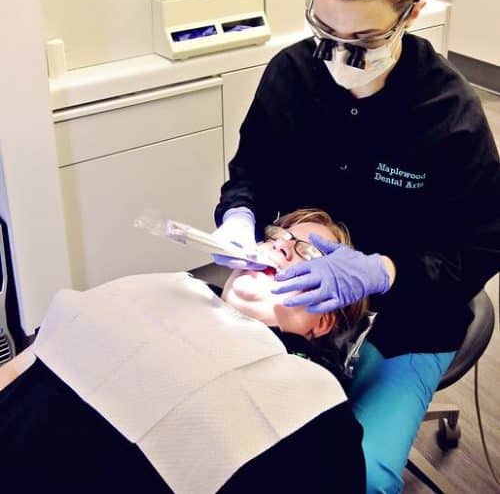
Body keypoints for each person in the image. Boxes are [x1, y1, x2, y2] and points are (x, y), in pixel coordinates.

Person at [214, 0, 500, 493]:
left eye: (363, 42)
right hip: (296, 308)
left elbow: (482, 247)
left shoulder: (448, 116)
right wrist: (238, 215)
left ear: (411, 13)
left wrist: (383, 273)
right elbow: (249, 174)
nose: (337, 57)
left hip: (408, 322)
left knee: (359, 477)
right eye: (323, 30)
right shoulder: (292, 76)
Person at [0, 208, 366, 494]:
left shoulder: (314, 406)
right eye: (278, 237)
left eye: (310, 253)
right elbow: (20, 369)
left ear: (322, 323)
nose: (281, 246)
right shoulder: (161, 287)